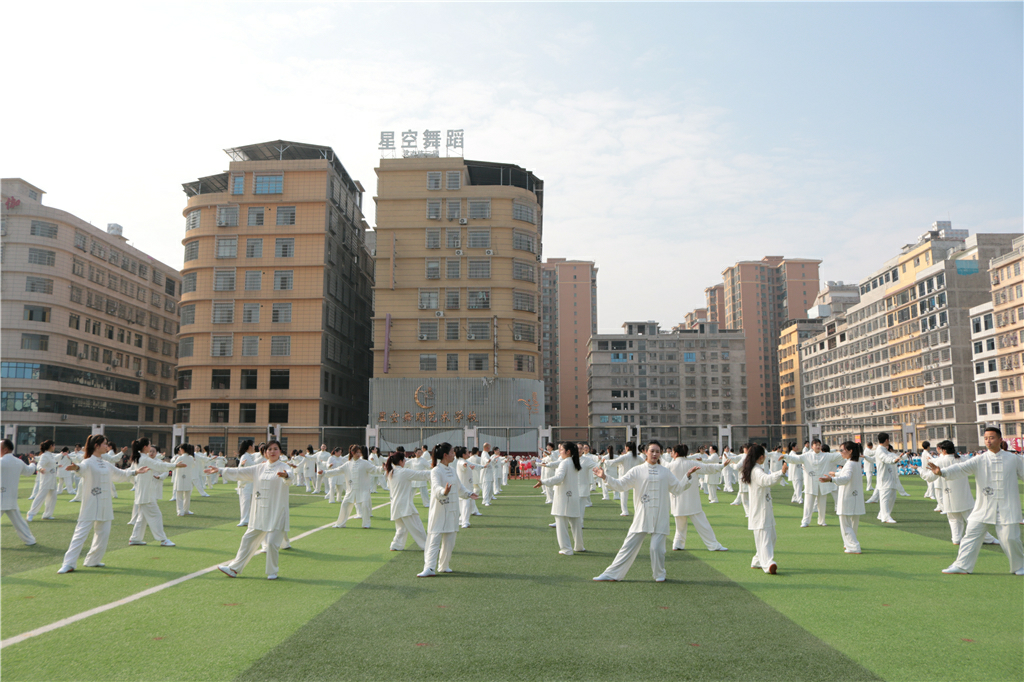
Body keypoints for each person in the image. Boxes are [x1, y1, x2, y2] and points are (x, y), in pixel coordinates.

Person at [927, 427, 1024, 575]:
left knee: (1011, 538)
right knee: (971, 535)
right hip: (983, 507)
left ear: (1000, 440)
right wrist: (942, 472)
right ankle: (962, 566)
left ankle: (1019, 567)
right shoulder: (980, 459)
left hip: (1007, 507)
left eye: (991, 438)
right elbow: (960, 468)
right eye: (985, 438)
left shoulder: (1013, 459)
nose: (988, 441)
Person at [593, 440, 690, 582]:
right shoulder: (637, 470)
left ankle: (659, 574)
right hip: (642, 515)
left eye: (658, 451)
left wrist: (687, 477)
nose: (655, 454)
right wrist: (605, 477)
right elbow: (621, 485)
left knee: (657, 548)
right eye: (652, 451)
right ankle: (612, 573)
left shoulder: (665, 472)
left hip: (660, 515)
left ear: (661, 453)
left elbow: (677, 488)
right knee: (628, 545)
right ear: (645, 452)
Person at [59, 435, 149, 573]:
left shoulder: (106, 464)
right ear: (96, 445)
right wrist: (76, 467)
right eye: (105, 444)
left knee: (103, 534)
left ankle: (93, 560)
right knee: (80, 533)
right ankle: (69, 563)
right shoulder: (88, 462)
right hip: (91, 503)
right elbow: (82, 468)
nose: (107, 446)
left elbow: (120, 474)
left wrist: (136, 471)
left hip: (105, 503)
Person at [208, 440, 291, 580]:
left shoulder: (284, 467)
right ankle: (234, 568)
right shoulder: (258, 468)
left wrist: (286, 476)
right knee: (247, 538)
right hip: (260, 511)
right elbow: (240, 472)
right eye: (269, 449)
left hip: (277, 511)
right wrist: (221, 470)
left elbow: (290, 475)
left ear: (280, 452)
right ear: (265, 453)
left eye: (275, 449)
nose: (272, 451)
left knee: (271, 543)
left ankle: (272, 571)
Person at [920, 440, 999, 546]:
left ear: (943, 450)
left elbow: (929, 478)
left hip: (949, 495)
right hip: (963, 494)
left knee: (954, 519)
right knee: (972, 519)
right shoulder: (963, 459)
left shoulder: (940, 461)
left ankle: (957, 539)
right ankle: (986, 538)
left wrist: (920, 470)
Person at [418, 443, 477, 577]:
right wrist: (444, 491)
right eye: (451, 452)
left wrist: (468, 493)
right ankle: (429, 567)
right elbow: (436, 488)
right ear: (445, 455)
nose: (453, 455)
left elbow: (460, 487)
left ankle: (444, 565)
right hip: (439, 509)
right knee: (434, 539)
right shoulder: (436, 471)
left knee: (450, 540)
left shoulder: (452, 470)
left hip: (452, 509)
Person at [666, 444, 728, 552]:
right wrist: (721, 466)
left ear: (676, 453)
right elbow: (708, 468)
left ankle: (677, 544)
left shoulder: (670, 466)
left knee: (680, 526)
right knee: (703, 525)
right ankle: (713, 545)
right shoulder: (691, 463)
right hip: (692, 501)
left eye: (672, 452)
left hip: (677, 501)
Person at [128, 438, 185, 547]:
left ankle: (135, 538)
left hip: (143, 493)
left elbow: (159, 465)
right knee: (156, 515)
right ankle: (163, 539)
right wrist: (175, 465)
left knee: (142, 517)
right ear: (145, 447)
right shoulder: (144, 459)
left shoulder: (140, 457)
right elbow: (159, 466)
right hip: (146, 494)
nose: (150, 447)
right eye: (149, 445)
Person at [534, 442, 587, 556]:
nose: (560, 451)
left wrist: (544, 481)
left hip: (563, 496)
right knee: (575, 523)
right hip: (573, 496)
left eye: (561, 449)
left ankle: (566, 549)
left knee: (561, 523)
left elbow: (559, 478)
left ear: (568, 451)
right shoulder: (574, 462)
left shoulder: (565, 463)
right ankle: (579, 546)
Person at [743, 444, 787, 574]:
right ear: (761, 457)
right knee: (765, 538)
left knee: (771, 536)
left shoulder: (756, 469)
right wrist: (781, 472)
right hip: (761, 511)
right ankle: (768, 564)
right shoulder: (756, 471)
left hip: (764, 508)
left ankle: (757, 560)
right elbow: (766, 480)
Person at [781, 439, 843, 527]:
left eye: (819, 445)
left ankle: (822, 520)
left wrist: (850, 452)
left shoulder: (826, 456)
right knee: (808, 504)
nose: (818, 446)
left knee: (822, 503)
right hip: (811, 483)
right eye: (816, 444)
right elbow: (796, 459)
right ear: (812, 446)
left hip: (822, 483)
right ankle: (805, 521)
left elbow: (838, 456)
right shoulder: (807, 455)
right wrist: (785, 457)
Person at [819, 441, 866, 554]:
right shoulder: (855, 462)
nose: (840, 452)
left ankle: (853, 546)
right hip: (855, 497)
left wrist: (832, 479)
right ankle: (849, 543)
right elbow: (848, 475)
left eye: (842, 450)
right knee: (853, 523)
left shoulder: (850, 464)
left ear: (850, 451)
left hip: (848, 497)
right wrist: (836, 474)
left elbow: (846, 478)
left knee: (845, 524)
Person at [324, 445, 382, 529]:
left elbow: (374, 469)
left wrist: (382, 469)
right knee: (344, 504)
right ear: (352, 453)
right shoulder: (347, 464)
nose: (359, 454)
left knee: (365, 506)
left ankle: (366, 524)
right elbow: (337, 471)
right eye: (357, 452)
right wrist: (324, 473)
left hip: (363, 490)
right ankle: (340, 524)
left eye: (360, 452)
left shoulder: (364, 463)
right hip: (351, 490)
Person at [385, 451, 431, 551]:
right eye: (404, 460)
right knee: (417, 527)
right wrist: (436, 472)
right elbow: (421, 475)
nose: (405, 461)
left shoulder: (391, 472)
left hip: (396, 505)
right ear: (401, 461)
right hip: (405, 505)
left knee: (401, 528)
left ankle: (395, 545)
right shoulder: (403, 472)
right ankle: (427, 547)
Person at [1, 438, 38, 546]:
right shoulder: (18, 462)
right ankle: (30, 540)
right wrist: (32, 464)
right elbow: (29, 472)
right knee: (20, 523)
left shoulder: (1, 461)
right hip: (11, 498)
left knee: (20, 523)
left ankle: (30, 540)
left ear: (5, 449)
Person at [862, 433, 903, 523]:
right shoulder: (880, 450)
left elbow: (889, 456)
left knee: (892, 496)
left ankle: (882, 514)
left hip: (890, 476)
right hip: (884, 477)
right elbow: (885, 458)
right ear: (886, 440)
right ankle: (885, 517)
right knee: (885, 498)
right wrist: (893, 460)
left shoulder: (884, 450)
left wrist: (899, 457)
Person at [26, 439, 58, 521]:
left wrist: (58, 465)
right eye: (54, 445)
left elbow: (52, 463)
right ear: (51, 446)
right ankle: (30, 514)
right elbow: (39, 464)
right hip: (46, 479)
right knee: (40, 497)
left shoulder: (50, 455)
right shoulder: (45, 455)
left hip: (53, 479)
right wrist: (40, 469)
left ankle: (47, 514)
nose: (54, 447)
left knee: (52, 498)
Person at [610, 443, 642, 516]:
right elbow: (645, 462)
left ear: (627, 448)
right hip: (636, 478)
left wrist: (605, 461)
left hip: (625, 478)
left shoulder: (624, 456)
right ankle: (638, 511)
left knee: (624, 495)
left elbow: (613, 462)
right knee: (637, 496)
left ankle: (625, 511)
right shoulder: (638, 457)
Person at [172, 444, 198, 516]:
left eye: (180, 449)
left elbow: (173, 466)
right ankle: (186, 510)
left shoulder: (180, 458)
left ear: (183, 449)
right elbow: (193, 465)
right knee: (187, 495)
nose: (179, 450)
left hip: (180, 478)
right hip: (188, 477)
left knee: (179, 496)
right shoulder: (191, 458)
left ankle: (180, 511)